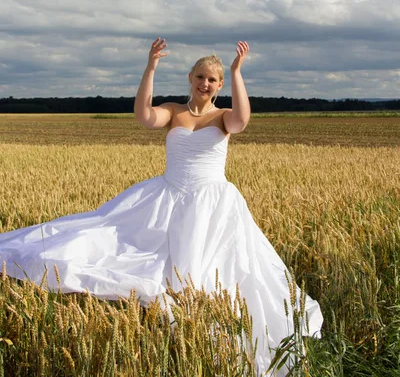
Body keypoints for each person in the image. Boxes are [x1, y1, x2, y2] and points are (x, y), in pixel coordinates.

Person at [0, 37, 323, 375]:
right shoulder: (174, 111)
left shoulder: (225, 117)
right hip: (165, 196)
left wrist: (237, 71)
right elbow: (143, 116)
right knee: (106, 239)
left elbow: (242, 120)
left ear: (219, 85)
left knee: (210, 273)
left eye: (212, 79)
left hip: (211, 204)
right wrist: (150, 67)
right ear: (191, 78)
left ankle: (202, 331)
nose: (205, 84)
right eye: (200, 77)